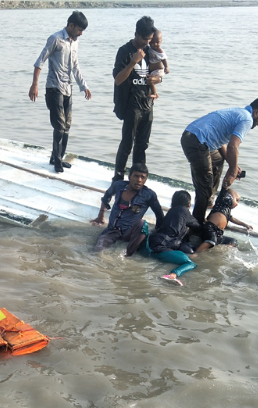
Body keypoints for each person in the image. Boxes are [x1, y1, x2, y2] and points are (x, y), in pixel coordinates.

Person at [181, 98, 258, 224]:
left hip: (192, 136)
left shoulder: (239, 112)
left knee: (218, 159)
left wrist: (233, 165)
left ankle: (208, 201)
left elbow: (221, 142)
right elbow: (233, 146)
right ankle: (197, 222)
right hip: (197, 142)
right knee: (205, 183)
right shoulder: (247, 119)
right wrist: (233, 171)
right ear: (256, 112)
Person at [30, 11, 92, 174]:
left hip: (68, 88)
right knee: (59, 126)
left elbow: (75, 66)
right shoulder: (55, 39)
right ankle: (57, 161)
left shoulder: (75, 43)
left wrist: (84, 86)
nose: (81, 33)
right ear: (71, 25)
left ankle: (57, 157)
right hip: (54, 88)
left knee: (67, 126)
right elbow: (40, 61)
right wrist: (34, 85)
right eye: (79, 29)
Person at [111, 16, 162, 182]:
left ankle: (138, 178)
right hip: (131, 105)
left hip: (147, 103)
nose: (147, 43)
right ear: (136, 34)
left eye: (149, 39)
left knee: (143, 145)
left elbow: (159, 73)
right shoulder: (124, 51)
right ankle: (118, 176)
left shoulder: (150, 50)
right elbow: (118, 80)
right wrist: (133, 62)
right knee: (127, 143)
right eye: (144, 39)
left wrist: (157, 79)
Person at [91, 163, 164, 252]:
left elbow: (159, 214)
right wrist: (100, 216)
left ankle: (128, 254)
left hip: (129, 233)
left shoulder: (148, 195)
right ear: (129, 177)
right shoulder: (118, 185)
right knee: (98, 250)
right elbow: (106, 196)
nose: (139, 180)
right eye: (136, 176)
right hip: (112, 231)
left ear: (145, 180)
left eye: (142, 177)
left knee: (142, 224)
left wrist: (157, 233)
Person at [140, 190, 200, 285]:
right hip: (161, 247)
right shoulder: (184, 210)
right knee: (191, 263)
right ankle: (172, 275)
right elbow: (197, 226)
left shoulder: (171, 212)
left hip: (152, 243)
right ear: (188, 204)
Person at [194, 188, 253, 253]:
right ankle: (196, 253)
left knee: (233, 241)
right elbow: (224, 188)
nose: (237, 204)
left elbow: (234, 219)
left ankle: (217, 250)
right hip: (210, 228)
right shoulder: (221, 203)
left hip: (218, 234)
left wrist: (245, 225)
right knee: (212, 240)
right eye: (236, 200)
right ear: (229, 198)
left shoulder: (227, 212)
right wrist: (226, 186)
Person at [146, 30, 169, 100]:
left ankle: (155, 93)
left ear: (161, 41)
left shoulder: (159, 51)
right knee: (149, 80)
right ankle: (153, 93)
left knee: (150, 81)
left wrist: (166, 67)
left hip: (158, 70)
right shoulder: (149, 49)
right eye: (152, 42)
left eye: (157, 42)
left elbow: (164, 59)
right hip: (153, 70)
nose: (155, 44)